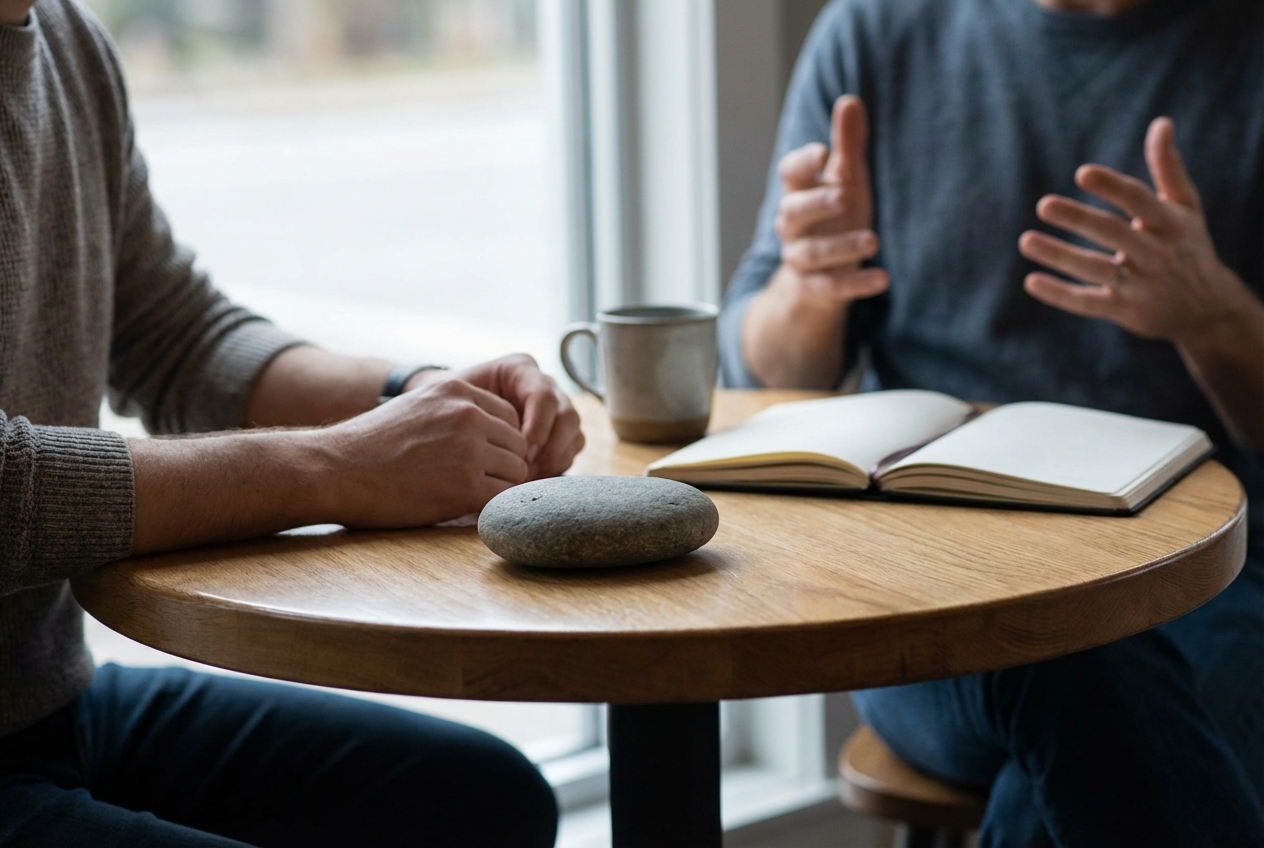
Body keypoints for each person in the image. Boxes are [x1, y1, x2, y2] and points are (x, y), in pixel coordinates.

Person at [0, 1, 582, 845]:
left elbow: (179, 338)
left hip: (49, 706)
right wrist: (342, 467)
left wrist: (414, 394)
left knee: (482, 799)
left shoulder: (64, 39)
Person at [721, 0, 1264, 844]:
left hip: (1211, 578)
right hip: (930, 590)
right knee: (1082, 667)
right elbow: (765, 375)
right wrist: (809, 285)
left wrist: (1216, 317)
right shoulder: (876, 28)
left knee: (1072, 744)